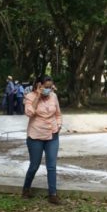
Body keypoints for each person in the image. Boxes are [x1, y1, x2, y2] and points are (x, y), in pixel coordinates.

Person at [22, 75, 63, 205]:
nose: (49, 90)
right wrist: (38, 96)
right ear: (39, 85)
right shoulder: (30, 96)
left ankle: (53, 194)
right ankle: (26, 189)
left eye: (50, 87)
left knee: (51, 166)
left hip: (52, 134)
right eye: (46, 87)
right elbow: (29, 113)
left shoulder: (53, 96)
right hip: (36, 136)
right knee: (34, 165)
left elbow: (58, 113)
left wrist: (59, 125)